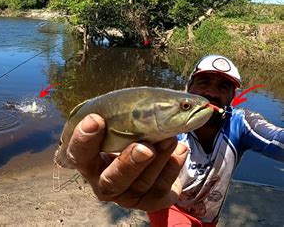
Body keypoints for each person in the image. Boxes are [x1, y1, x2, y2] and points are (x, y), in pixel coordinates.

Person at [62, 54, 283, 226]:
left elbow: (277, 140)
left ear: (233, 96)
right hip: (166, 204)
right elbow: (123, 150)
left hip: (210, 215)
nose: (212, 92)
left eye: (223, 86)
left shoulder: (242, 124)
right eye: (204, 82)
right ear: (189, 87)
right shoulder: (164, 125)